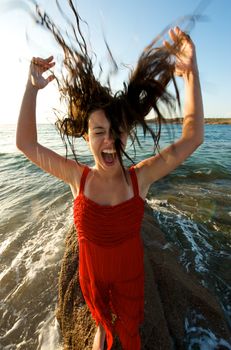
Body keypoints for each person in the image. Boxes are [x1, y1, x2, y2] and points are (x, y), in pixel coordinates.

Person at [16, 17, 204, 350]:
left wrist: (190, 74)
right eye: (99, 132)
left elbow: (193, 136)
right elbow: (26, 144)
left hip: (130, 279)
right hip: (92, 278)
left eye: (117, 131)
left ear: (127, 133)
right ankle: (101, 327)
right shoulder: (78, 177)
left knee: (130, 331)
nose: (109, 141)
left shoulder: (140, 178)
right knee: (99, 314)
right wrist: (31, 88)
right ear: (86, 135)